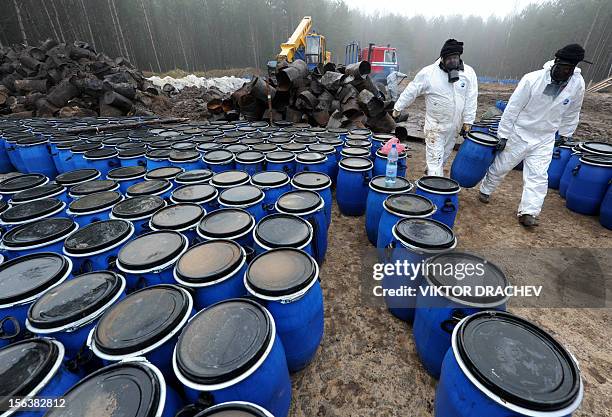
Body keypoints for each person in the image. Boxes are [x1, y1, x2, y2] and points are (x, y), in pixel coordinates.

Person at [479, 44, 588, 228]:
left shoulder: (577, 84)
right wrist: (503, 135)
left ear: (573, 70)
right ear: (555, 63)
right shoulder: (532, 79)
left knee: (538, 176)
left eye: (568, 70)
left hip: (545, 137)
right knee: (502, 166)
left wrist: (565, 134)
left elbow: (572, 111)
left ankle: (529, 212)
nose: (564, 72)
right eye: (561, 68)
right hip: (520, 132)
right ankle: (485, 189)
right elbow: (513, 108)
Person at [392, 39, 478, 176]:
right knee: (435, 159)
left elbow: (471, 98)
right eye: (449, 59)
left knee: (442, 157)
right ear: (442, 58)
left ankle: (431, 173)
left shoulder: (468, 73)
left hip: (454, 126)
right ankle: (434, 188)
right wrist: (398, 107)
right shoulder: (429, 73)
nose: (452, 62)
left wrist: (468, 121)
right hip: (435, 127)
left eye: (455, 58)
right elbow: (412, 90)